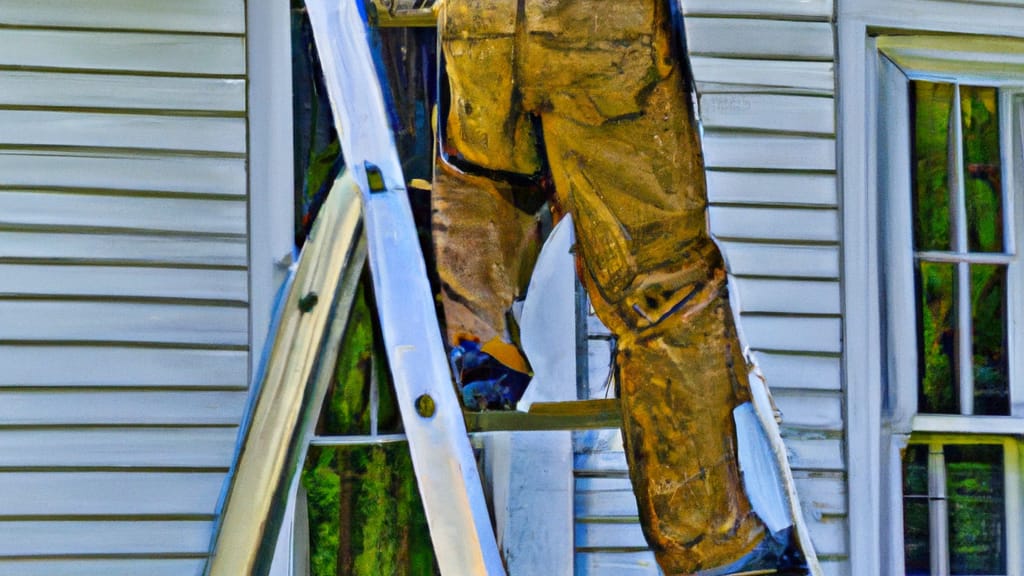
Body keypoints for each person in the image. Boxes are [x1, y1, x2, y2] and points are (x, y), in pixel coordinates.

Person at [431, 0, 789, 572]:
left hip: (478, 22)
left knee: (486, 183)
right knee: (664, 286)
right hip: (597, 27)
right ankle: (714, 544)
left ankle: (479, 356)